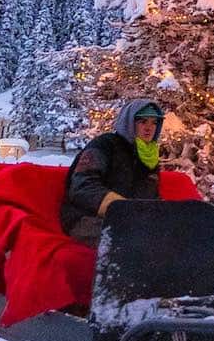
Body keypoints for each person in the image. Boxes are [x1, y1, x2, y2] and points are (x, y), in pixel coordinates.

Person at [59, 99, 169, 246]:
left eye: (154, 122)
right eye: (143, 122)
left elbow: (151, 197)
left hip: (131, 220)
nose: (149, 128)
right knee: (132, 240)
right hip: (86, 218)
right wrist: (120, 207)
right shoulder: (105, 145)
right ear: (129, 123)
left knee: (169, 237)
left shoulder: (149, 157)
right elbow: (82, 186)